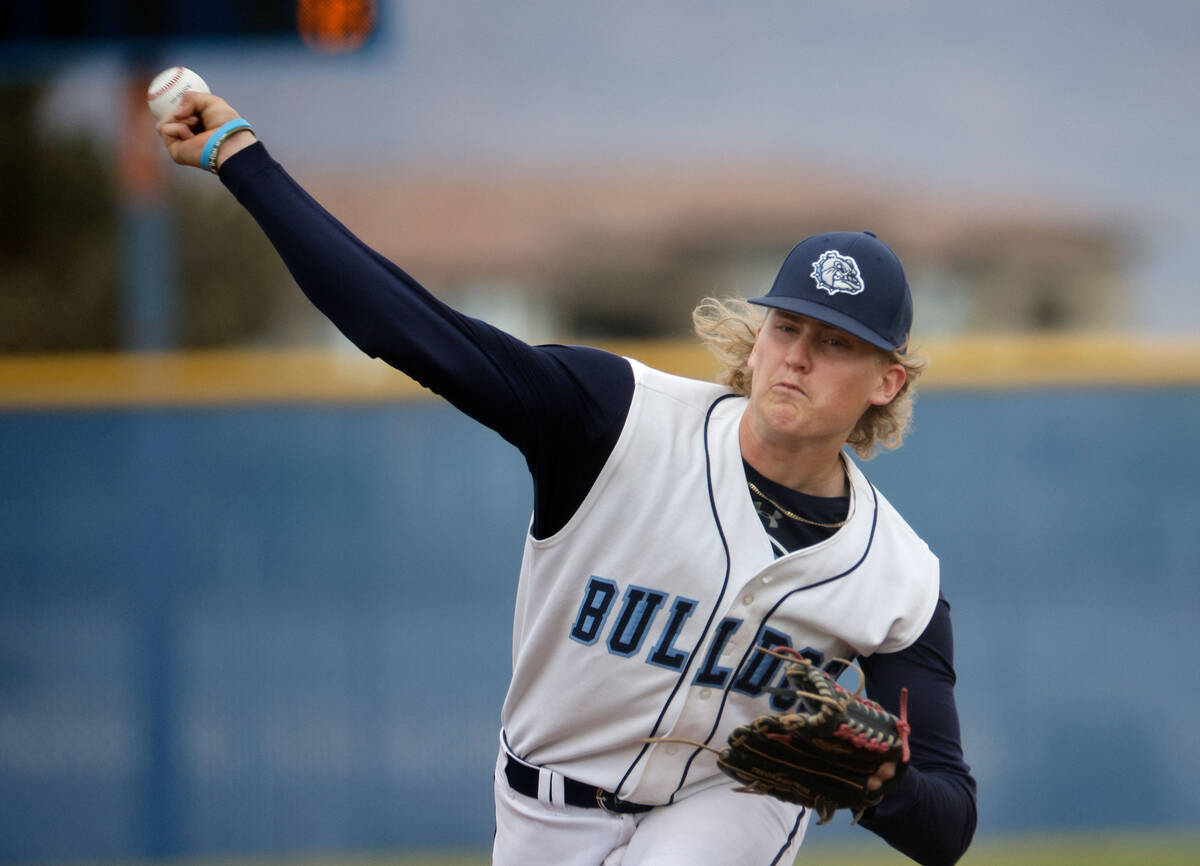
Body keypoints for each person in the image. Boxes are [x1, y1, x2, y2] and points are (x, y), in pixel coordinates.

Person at [157, 92, 977, 866]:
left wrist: (880, 785)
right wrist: (243, 158)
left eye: (835, 342)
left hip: (729, 806)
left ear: (887, 382)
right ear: (757, 341)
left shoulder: (896, 577)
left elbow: (948, 822)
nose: (798, 354)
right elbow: (403, 326)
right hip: (543, 812)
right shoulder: (616, 421)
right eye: (787, 326)